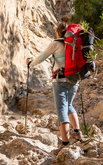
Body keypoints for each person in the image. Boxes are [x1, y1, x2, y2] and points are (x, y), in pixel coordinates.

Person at [26, 21, 82, 154]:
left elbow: (42, 57)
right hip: (74, 79)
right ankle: (77, 132)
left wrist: (30, 63)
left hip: (60, 81)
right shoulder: (74, 43)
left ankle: (65, 144)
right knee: (68, 105)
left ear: (57, 31)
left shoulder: (55, 44)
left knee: (62, 110)